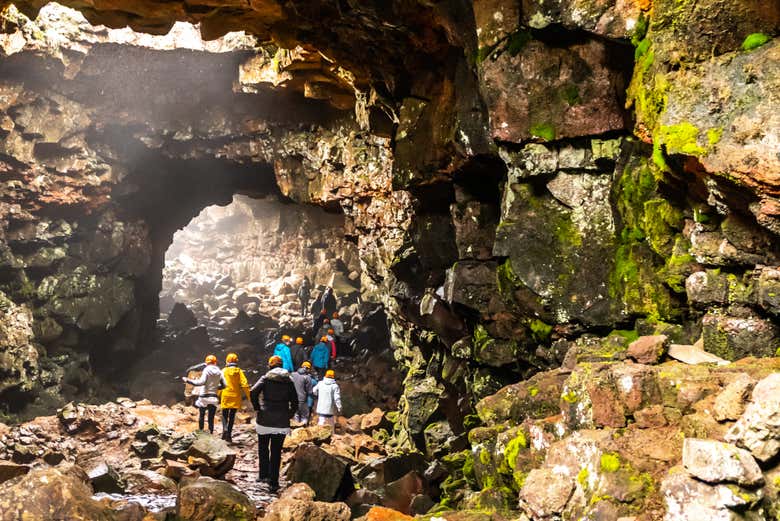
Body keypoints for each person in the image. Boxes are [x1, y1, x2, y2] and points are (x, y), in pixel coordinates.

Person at [250, 355, 298, 493]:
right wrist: (290, 413)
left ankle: (263, 475)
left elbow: (253, 392)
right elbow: (295, 400)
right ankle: (274, 482)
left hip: (265, 417)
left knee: (263, 447)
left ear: (270, 365)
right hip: (282, 418)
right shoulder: (288, 380)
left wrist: (257, 407)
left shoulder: (265, 378)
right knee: (276, 451)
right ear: (281, 365)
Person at [182, 355, 225, 434]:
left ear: (207, 362)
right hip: (213, 398)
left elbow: (200, 382)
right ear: (215, 362)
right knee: (211, 418)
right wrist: (215, 387)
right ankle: (211, 433)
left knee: (201, 416)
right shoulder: (220, 372)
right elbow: (224, 385)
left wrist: (188, 380)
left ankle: (201, 433)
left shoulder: (206, 370)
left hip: (204, 398)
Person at [220, 353, 251, 442]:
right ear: (236, 361)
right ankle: (229, 435)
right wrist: (249, 396)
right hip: (235, 395)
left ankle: (224, 431)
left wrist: (217, 394)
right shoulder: (239, 371)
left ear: (227, 360)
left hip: (226, 394)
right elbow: (244, 384)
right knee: (232, 416)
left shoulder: (223, 371)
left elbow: (220, 383)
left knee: (224, 415)